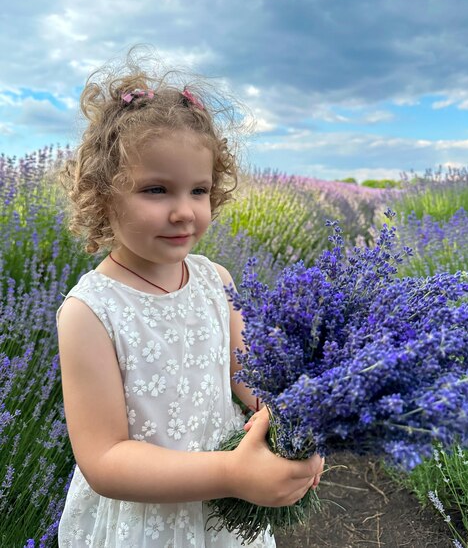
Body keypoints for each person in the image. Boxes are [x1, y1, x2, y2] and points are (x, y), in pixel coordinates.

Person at [57, 49, 324, 547]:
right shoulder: (89, 313)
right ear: (101, 193)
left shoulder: (214, 280)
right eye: (156, 190)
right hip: (146, 521)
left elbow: (248, 375)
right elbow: (105, 460)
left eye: (198, 190)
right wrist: (231, 474)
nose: (184, 212)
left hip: (224, 511)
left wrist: (291, 422)